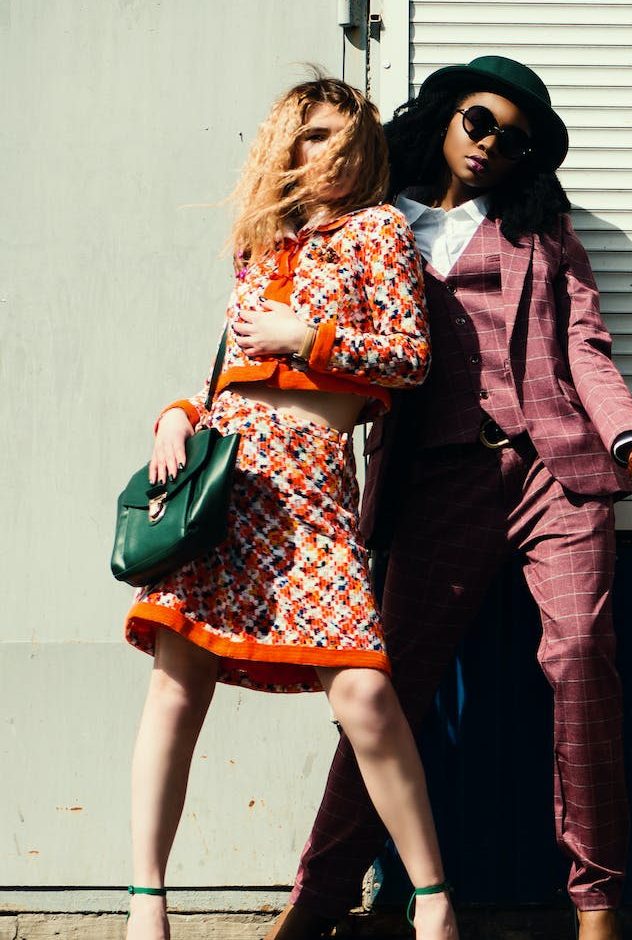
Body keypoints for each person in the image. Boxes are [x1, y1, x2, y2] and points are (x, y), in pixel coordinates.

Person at [266, 57, 632, 940]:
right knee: (386, 691)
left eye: (515, 138)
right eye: (479, 121)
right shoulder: (374, 226)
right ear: (446, 117)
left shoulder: (543, 234)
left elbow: (587, 350)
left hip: (558, 472)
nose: (493, 143)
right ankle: (319, 895)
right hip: (437, 478)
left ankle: (600, 905)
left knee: (581, 663)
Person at [124, 78, 457, 940]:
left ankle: (433, 902)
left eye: (344, 139)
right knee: (175, 688)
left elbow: (410, 358)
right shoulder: (260, 245)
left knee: (366, 698)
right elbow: (222, 374)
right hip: (227, 487)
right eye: (310, 136)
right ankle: (146, 902)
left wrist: (305, 339)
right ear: (282, 146)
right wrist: (176, 413)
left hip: (309, 492)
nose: (329, 154)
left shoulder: (379, 231)